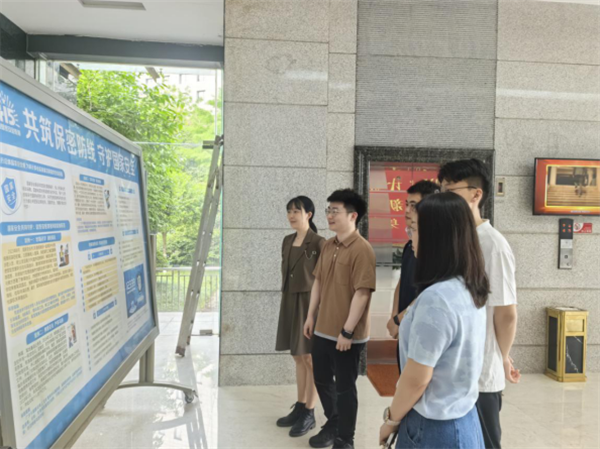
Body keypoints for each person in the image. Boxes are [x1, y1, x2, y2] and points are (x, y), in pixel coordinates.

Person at [379, 192, 490, 449]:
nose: (411, 236)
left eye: (415, 229)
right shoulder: (467, 285)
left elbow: (417, 378)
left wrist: (391, 420)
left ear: (436, 238)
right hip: (464, 417)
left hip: (434, 428)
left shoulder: (437, 298)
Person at [438, 159, 520, 449]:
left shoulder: (493, 245)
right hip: (451, 370)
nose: (444, 199)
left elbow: (506, 314)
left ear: (476, 194)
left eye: (451, 191)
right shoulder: (454, 238)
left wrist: (501, 356)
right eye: (442, 191)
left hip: (481, 375)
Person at [303, 189, 376, 449]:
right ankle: (334, 422)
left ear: (353, 215)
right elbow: (318, 282)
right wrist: (311, 316)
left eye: (335, 211)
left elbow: (362, 293)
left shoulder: (362, 249)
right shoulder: (328, 245)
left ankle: (346, 439)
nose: (329, 215)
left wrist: (347, 332)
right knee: (322, 378)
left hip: (347, 335)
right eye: (328, 210)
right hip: (323, 328)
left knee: (345, 387)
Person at [276, 196, 326, 437]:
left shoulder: (318, 242)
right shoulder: (287, 240)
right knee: (297, 356)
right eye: (289, 211)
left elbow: (324, 280)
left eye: (297, 211)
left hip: (309, 303)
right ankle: (300, 404)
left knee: (310, 357)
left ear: (309, 214)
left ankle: (310, 411)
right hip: (290, 300)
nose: (291, 215)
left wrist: (316, 312)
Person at [386, 180, 439, 372]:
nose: (407, 210)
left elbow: (428, 293)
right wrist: (394, 316)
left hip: (422, 328)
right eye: (406, 204)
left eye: (414, 205)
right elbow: (403, 281)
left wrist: (399, 320)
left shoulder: (434, 250)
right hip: (405, 326)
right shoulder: (410, 246)